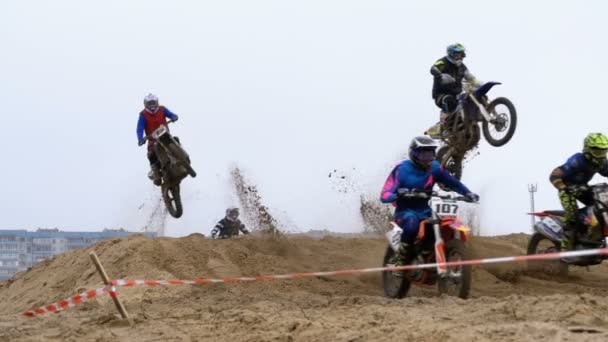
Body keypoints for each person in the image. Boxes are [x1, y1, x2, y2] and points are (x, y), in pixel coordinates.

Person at [380, 136, 479, 265]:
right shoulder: (402, 169)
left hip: (426, 212)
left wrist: (468, 193)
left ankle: (432, 254)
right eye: (423, 154)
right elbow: (384, 194)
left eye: (430, 154)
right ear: (414, 154)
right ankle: (401, 259)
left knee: (439, 224)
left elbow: (453, 183)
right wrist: (398, 194)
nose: (428, 158)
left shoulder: (435, 168)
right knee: (412, 223)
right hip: (405, 212)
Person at [549, 133, 608, 249]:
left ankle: (588, 234)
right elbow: (554, 175)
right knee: (572, 214)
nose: (601, 156)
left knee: (600, 205)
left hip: (583, 188)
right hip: (567, 189)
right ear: (587, 150)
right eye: (597, 152)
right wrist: (563, 187)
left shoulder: (602, 163)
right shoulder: (577, 161)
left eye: (603, 152)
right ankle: (565, 244)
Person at [426, 43, 480, 138]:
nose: (459, 57)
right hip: (441, 94)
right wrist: (440, 75)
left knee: (470, 100)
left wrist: (478, 83)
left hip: (457, 95)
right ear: (451, 54)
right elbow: (433, 68)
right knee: (448, 100)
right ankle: (443, 126)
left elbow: (469, 76)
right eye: (457, 54)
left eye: (461, 54)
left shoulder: (462, 67)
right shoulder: (443, 62)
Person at [136, 93, 179, 185]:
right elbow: (140, 128)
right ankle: (156, 173)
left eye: (153, 103)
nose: (152, 105)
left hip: (165, 136)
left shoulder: (162, 109)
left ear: (157, 102)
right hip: (153, 140)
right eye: (150, 103)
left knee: (176, 140)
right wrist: (140, 139)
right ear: (146, 104)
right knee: (151, 154)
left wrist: (174, 116)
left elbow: (170, 114)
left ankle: (183, 159)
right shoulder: (143, 115)